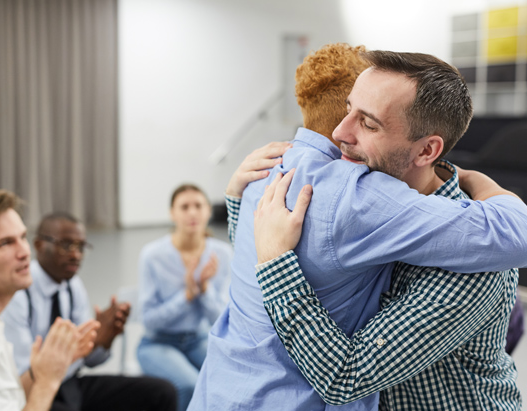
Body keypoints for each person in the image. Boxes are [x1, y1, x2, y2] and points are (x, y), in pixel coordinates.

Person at [188, 44, 527, 410]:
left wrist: (275, 263)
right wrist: (240, 196)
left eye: (368, 123)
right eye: (348, 109)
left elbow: (345, 376)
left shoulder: (473, 259)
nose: (338, 132)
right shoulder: (349, 196)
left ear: (427, 151)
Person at [1, 212, 177, 411]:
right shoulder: (19, 293)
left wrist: (104, 338)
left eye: (81, 246)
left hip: (70, 384)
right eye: (66, 245)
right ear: (39, 245)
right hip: (35, 393)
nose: (76, 254)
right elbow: (25, 376)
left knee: (162, 392)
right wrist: (76, 353)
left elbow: (90, 361)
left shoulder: (72, 285)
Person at [0, 190, 84, 411]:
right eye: (5, 243)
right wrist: (47, 382)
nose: (24, 252)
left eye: (22, 237)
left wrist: (40, 371)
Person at [137, 184, 232, 411]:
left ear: (208, 211)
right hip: (157, 343)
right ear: (172, 213)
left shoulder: (222, 253)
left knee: (229, 380)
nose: (192, 213)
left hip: (198, 339)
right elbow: (149, 321)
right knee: (190, 385)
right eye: (184, 206)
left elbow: (223, 321)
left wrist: (204, 290)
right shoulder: (153, 256)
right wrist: (187, 295)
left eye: (198, 206)